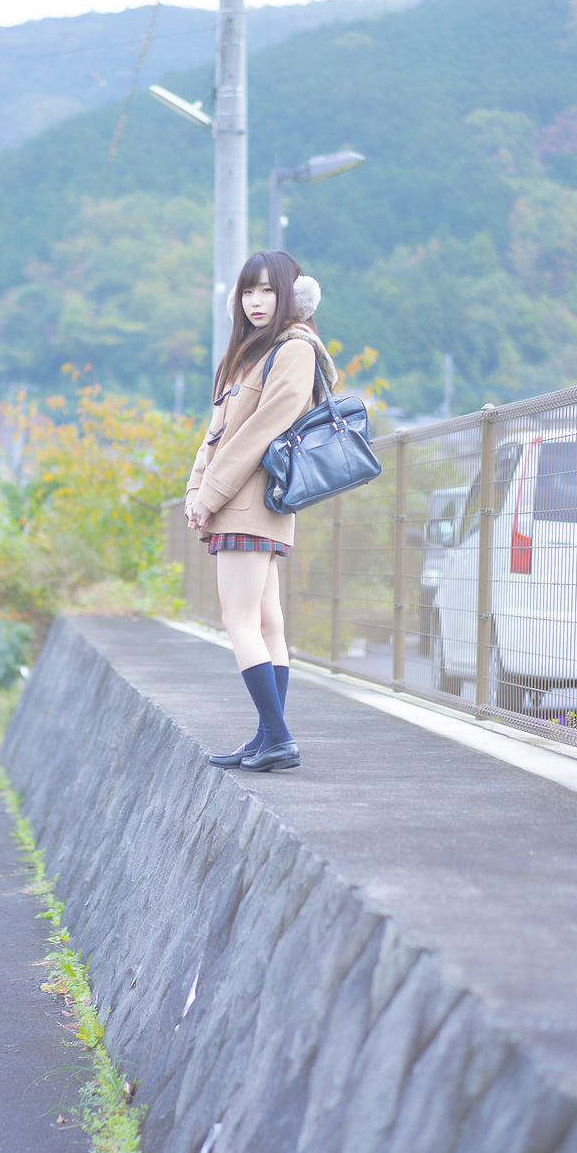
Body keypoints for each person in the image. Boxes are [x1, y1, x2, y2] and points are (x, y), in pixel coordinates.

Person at [184, 250, 336, 773]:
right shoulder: (249, 356)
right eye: (249, 291)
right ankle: (267, 736)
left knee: (240, 621)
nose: (256, 301)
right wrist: (195, 490)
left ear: (293, 296)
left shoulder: (295, 349)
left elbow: (259, 432)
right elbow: (215, 435)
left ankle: (278, 737)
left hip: (249, 503)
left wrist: (209, 496)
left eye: (269, 290)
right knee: (268, 624)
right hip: (239, 500)